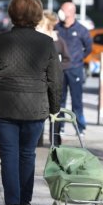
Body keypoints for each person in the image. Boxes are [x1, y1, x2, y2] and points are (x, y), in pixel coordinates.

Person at [0, 0, 62, 205]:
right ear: (37, 15)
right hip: (35, 106)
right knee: (28, 154)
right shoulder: (46, 43)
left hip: (4, 106)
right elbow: (55, 79)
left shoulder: (1, 40)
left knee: (9, 155)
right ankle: (25, 202)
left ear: (12, 13)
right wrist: (55, 108)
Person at [55, 2, 92, 135]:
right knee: (59, 100)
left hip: (75, 69)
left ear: (71, 12)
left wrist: (78, 59)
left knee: (77, 100)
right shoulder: (56, 28)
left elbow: (89, 48)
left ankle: (80, 127)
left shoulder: (82, 30)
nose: (61, 12)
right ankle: (60, 127)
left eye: (63, 9)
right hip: (59, 70)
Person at [37, 10, 71, 146]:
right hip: (39, 81)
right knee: (39, 110)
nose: (38, 26)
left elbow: (68, 59)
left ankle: (55, 140)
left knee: (56, 110)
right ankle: (37, 140)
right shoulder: (36, 39)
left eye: (40, 23)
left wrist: (57, 68)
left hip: (55, 81)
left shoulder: (58, 40)